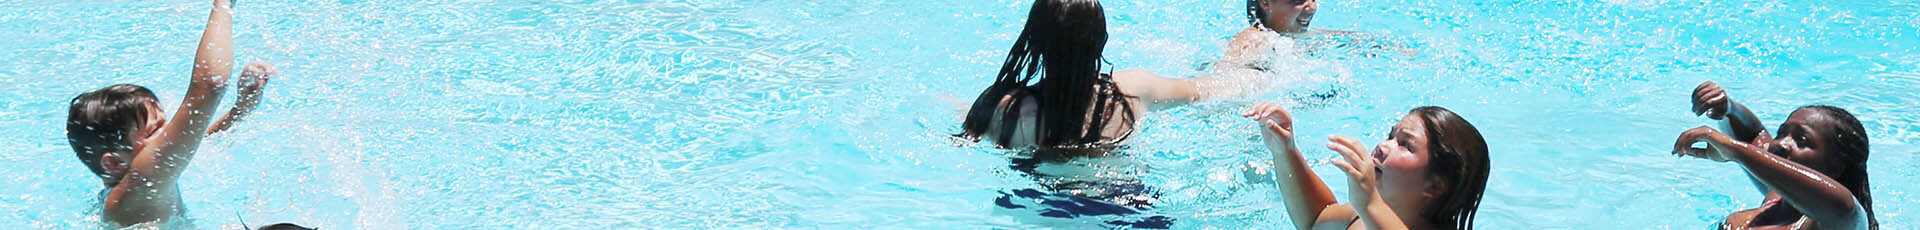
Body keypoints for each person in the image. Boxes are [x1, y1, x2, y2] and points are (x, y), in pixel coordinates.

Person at [64, 0, 277, 226]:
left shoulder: (138, 182)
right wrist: (223, 5)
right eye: (155, 130)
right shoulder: (138, 185)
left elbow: (199, 139)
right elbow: (209, 87)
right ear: (114, 163)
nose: (169, 133)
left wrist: (240, 109)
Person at [1244, 102, 1489, 230]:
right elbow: (1315, 221)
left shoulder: (1369, 210)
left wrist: (1369, 202)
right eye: (1390, 136)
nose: (1383, 145)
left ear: (1435, 187)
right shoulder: (1361, 219)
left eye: (1405, 145)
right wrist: (1285, 150)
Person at [1672, 81, 1876, 229]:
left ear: (1834, 167)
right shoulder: (1776, 197)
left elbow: (1842, 205)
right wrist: (1728, 109)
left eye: (1802, 141)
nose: (1779, 144)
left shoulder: (1843, 220)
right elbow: (1754, 134)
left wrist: (1734, 151)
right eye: (1781, 133)